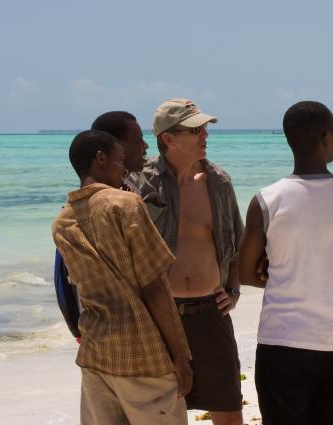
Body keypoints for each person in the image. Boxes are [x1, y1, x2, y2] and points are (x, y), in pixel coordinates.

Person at [239, 101, 333, 425]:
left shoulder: (266, 199)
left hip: (281, 343)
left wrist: (281, 272)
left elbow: (244, 272)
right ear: (327, 138)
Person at [52, 130, 192, 424]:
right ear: (100, 159)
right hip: (143, 356)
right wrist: (180, 355)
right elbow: (154, 286)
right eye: (118, 161)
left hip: (96, 354)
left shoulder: (62, 221)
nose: (124, 169)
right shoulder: (125, 205)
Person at [129, 98, 244, 425]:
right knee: (164, 413)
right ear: (169, 138)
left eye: (205, 128)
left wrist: (233, 290)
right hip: (159, 317)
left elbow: (236, 241)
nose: (205, 136)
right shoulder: (140, 183)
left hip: (211, 313)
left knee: (229, 410)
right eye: (195, 130)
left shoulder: (218, 182)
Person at [54, 111, 149, 341]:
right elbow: (64, 274)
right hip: (123, 333)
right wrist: (76, 329)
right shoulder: (115, 203)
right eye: (137, 140)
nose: (145, 146)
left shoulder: (132, 192)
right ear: (112, 149)